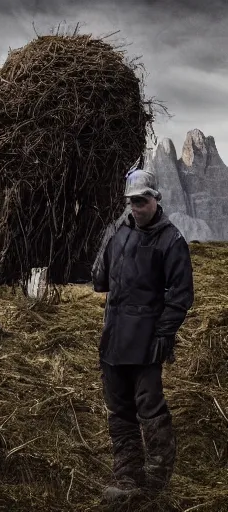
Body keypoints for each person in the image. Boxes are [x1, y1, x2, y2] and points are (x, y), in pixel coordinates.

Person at [91, 168, 194, 503]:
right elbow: (101, 280)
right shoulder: (119, 233)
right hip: (114, 338)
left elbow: (180, 294)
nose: (135, 206)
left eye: (141, 200)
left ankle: (157, 481)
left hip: (147, 342)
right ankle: (127, 476)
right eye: (131, 201)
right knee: (119, 411)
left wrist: (164, 336)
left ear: (155, 199)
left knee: (150, 409)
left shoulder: (171, 240)